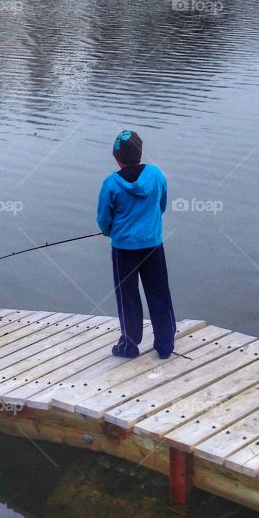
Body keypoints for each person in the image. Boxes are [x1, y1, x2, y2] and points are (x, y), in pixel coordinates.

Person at [96, 130, 176, 359]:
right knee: (159, 293)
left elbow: (104, 219)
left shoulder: (111, 183)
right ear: (140, 152)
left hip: (123, 250)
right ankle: (165, 344)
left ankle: (129, 346)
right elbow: (161, 206)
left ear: (116, 157)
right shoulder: (156, 174)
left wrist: (110, 232)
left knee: (128, 297)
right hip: (153, 246)